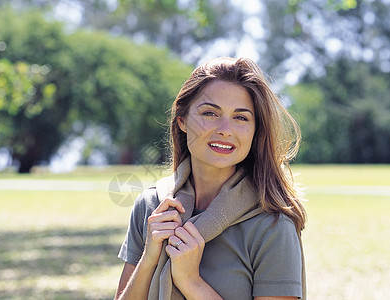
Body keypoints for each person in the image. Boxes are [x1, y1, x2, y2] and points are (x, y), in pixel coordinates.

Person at [114, 57, 307, 300]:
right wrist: (149, 258)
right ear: (182, 121)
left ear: (255, 131)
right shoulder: (152, 207)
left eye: (241, 117)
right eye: (210, 113)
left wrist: (190, 282)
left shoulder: (272, 226)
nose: (225, 129)